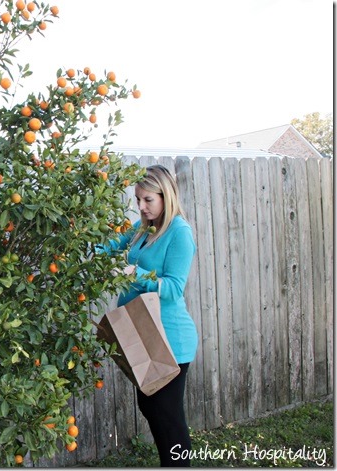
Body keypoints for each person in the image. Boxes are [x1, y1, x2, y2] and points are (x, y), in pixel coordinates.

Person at [98, 165, 198, 467]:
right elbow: (110, 247)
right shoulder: (143, 226)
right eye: (138, 199)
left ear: (165, 197)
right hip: (143, 332)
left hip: (169, 340)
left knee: (167, 417)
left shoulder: (180, 233)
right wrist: (78, 242)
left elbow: (172, 289)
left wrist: (135, 273)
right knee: (151, 407)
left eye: (147, 200)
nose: (140, 206)